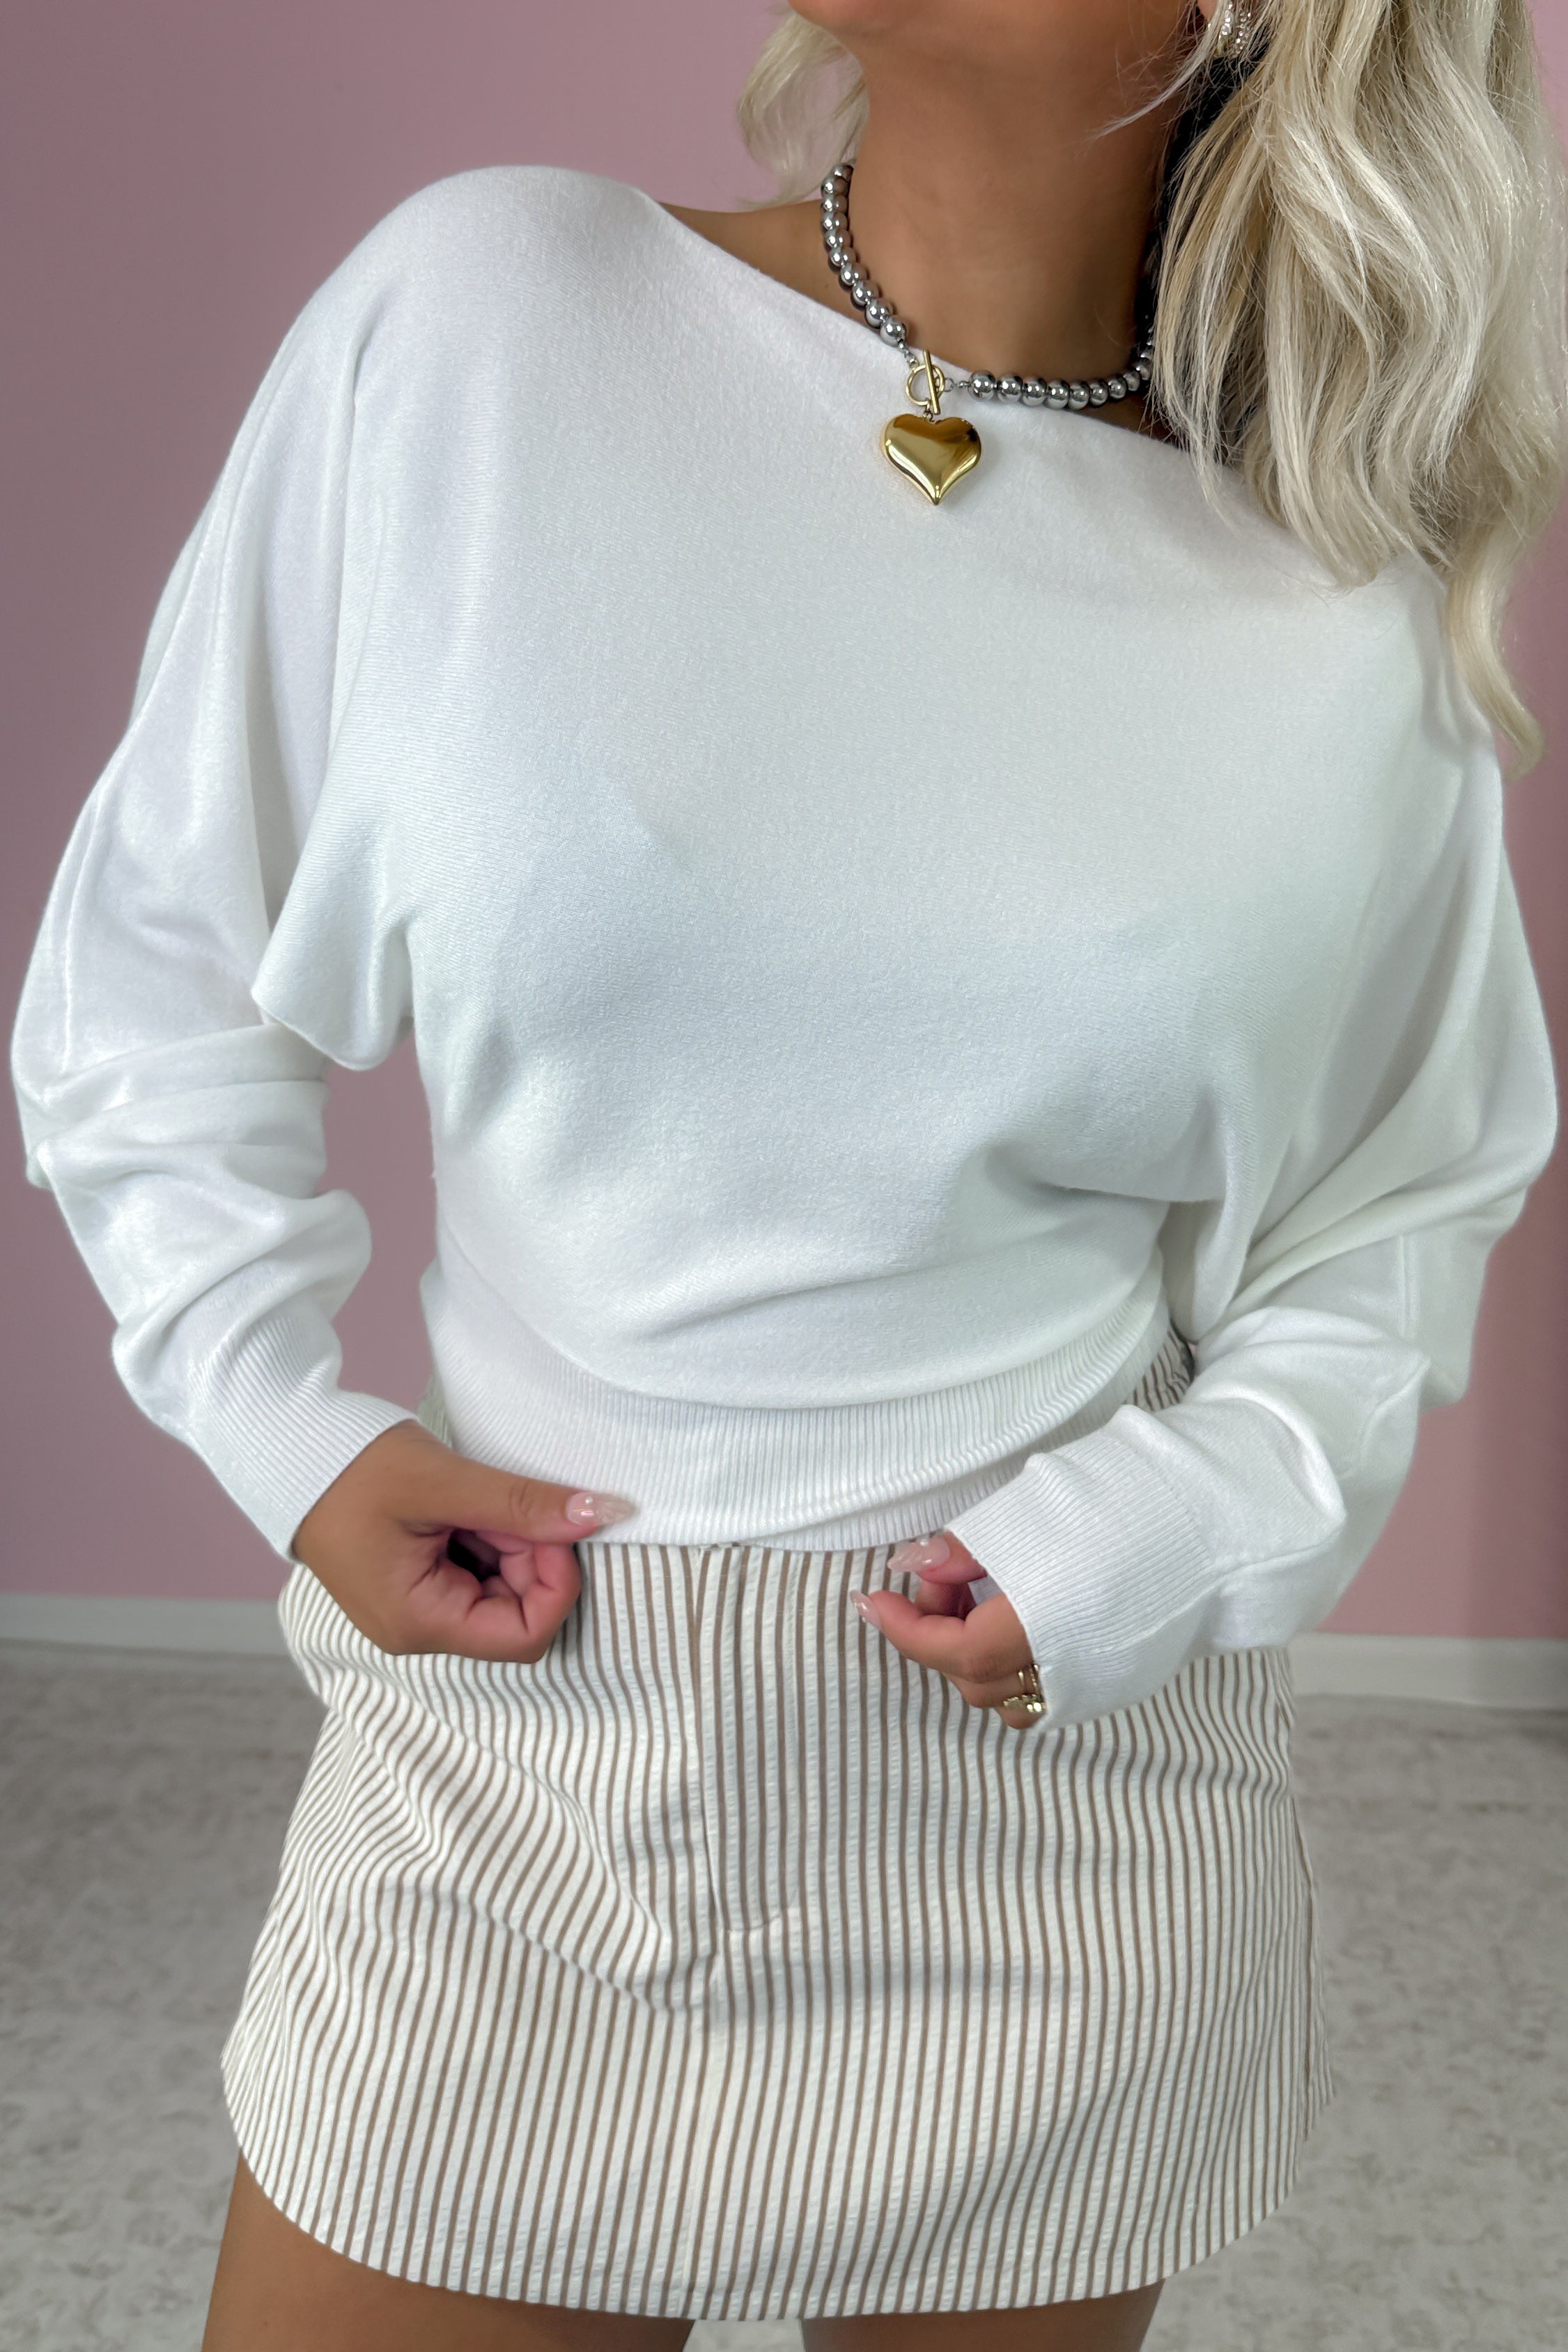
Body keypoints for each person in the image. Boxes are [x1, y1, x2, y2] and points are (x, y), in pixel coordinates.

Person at [13, 0, 1567, 2345]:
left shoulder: (1336, 594)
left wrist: (1170, 1525)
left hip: (1051, 1779)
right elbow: (156, 967)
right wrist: (275, 1420)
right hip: (515, 1754)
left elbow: (1400, 1199)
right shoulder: (486, 319)